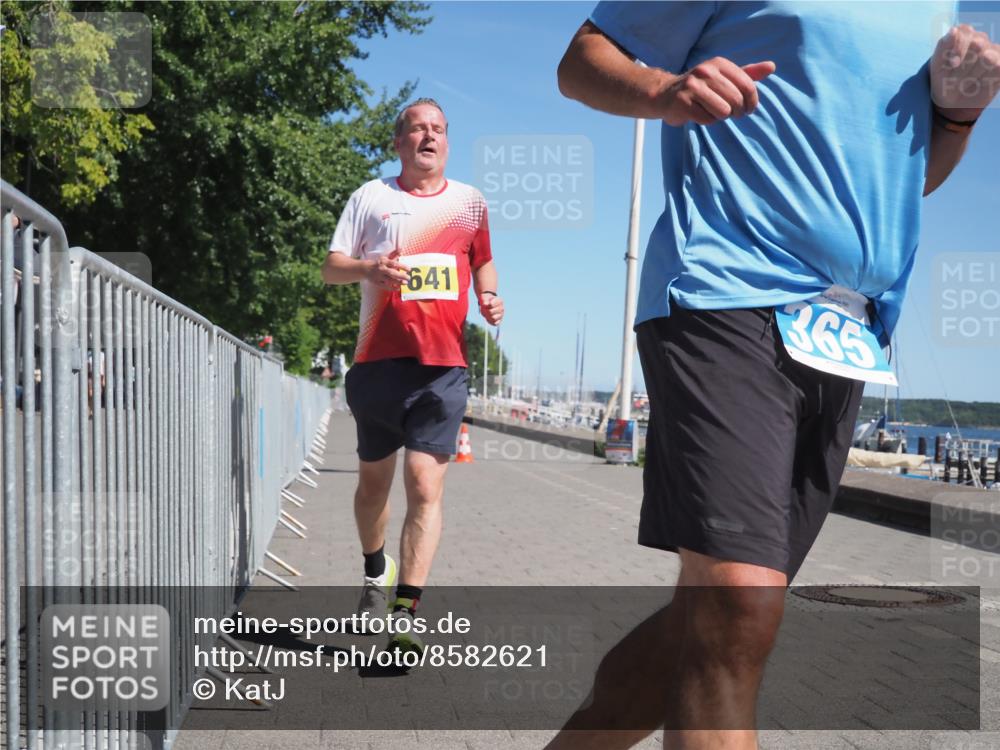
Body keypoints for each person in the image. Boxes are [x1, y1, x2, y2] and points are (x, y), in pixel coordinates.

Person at [554, 3, 996, 748]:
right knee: (739, 602)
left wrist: (958, 118)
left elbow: (906, 178)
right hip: (725, 287)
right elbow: (582, 61)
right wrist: (665, 92)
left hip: (848, 329)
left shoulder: (931, 7)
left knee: (725, 615)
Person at [321, 98, 503, 656]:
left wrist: (490, 294)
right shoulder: (371, 197)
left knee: (425, 485)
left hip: (443, 368)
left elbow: (481, 262)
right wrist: (369, 268)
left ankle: (405, 612)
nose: (429, 137)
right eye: (418, 129)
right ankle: (376, 568)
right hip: (378, 364)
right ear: (399, 141)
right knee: (373, 486)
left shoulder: (470, 203)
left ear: (447, 141)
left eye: (439, 130)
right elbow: (331, 269)